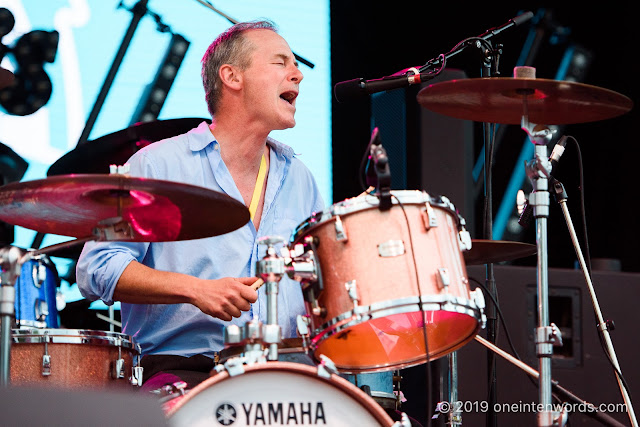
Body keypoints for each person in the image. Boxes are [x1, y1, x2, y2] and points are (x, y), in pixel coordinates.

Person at [76, 20, 324, 391]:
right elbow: (96, 267)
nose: (298, 74)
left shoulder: (299, 177)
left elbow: (321, 283)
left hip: (287, 376)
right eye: (280, 63)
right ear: (232, 77)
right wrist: (196, 289)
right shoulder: (157, 165)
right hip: (183, 372)